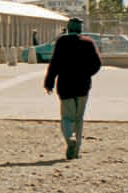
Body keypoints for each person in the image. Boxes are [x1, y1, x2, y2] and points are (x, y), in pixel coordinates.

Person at [43, 17, 103, 162]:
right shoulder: (88, 43)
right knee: (79, 118)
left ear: (68, 28)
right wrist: (86, 74)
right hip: (83, 86)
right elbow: (97, 64)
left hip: (65, 85)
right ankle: (76, 151)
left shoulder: (62, 42)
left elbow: (55, 63)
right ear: (80, 29)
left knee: (67, 118)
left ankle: (70, 140)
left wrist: (49, 82)